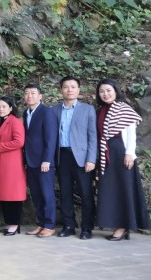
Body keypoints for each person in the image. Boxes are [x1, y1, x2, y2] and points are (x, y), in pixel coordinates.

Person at [94, 79, 149, 241]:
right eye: (102, 91)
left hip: (121, 153)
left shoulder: (124, 109)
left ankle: (124, 227)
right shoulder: (101, 111)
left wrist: (129, 154)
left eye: (108, 90)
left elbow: (131, 134)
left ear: (116, 91)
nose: (105, 94)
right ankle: (119, 225)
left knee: (124, 189)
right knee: (111, 190)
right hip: (106, 153)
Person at [52, 76, 97, 239]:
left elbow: (93, 136)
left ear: (78, 90)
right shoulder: (54, 110)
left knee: (86, 194)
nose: (69, 90)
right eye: (66, 87)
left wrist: (91, 159)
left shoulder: (88, 109)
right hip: (62, 156)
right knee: (65, 193)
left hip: (82, 158)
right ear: (61, 90)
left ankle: (86, 228)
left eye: (73, 87)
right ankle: (69, 225)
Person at [22, 83, 59, 238]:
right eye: (27, 93)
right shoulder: (26, 113)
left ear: (40, 96)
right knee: (36, 194)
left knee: (46, 193)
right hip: (30, 160)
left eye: (33, 93)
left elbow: (51, 139)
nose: (29, 96)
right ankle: (41, 223)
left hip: (44, 162)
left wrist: (47, 160)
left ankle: (49, 225)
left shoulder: (47, 112)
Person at [0, 96, 26, 236]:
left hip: (12, 164)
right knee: (5, 194)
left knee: (13, 194)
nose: (0, 109)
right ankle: (10, 223)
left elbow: (19, 142)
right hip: (2, 163)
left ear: (10, 108)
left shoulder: (15, 122)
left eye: (4, 106)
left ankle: (15, 224)